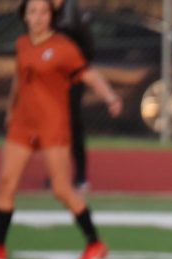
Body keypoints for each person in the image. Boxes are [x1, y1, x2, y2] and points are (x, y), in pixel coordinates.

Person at [0, 0, 122, 259]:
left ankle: (95, 243)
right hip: (23, 125)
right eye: (33, 12)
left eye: (43, 12)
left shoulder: (63, 47)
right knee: (6, 184)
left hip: (52, 124)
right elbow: (19, 79)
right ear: (24, 17)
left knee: (62, 189)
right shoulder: (23, 44)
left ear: (51, 17)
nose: (38, 17)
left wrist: (110, 98)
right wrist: (10, 110)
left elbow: (89, 75)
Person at [53, 0, 95, 190]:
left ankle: (80, 175)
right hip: (50, 82)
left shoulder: (74, 14)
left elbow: (89, 50)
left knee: (73, 125)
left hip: (72, 81)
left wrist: (72, 66)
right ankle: (56, 172)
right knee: (53, 127)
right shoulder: (44, 11)